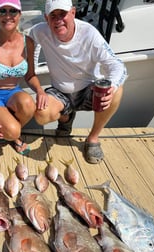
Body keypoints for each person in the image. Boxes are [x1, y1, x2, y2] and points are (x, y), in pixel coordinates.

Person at [29, 0, 127, 164]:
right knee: (41, 114)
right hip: (60, 92)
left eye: (63, 14)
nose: (58, 20)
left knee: (117, 90)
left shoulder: (89, 34)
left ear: (73, 13)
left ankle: (93, 138)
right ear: (46, 18)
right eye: (53, 16)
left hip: (89, 89)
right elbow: (30, 48)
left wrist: (113, 85)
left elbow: (117, 66)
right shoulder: (38, 31)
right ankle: (66, 120)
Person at [0, 0, 47, 155]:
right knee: (14, 132)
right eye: (2, 11)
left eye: (13, 11)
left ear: (20, 14)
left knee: (29, 105)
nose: (8, 16)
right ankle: (8, 132)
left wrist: (40, 90)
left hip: (13, 92)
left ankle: (8, 129)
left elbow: (30, 75)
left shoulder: (28, 42)